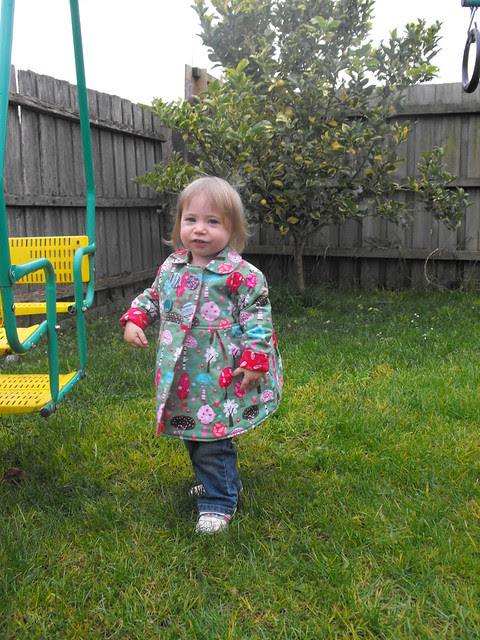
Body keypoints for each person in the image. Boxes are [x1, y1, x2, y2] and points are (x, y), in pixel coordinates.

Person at [120, 176, 283, 534]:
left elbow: (258, 319)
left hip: (220, 374)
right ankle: (222, 480)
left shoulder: (242, 275)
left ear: (232, 229)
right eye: (191, 219)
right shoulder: (172, 268)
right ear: (179, 223)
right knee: (194, 432)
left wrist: (255, 361)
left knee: (211, 437)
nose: (199, 229)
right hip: (184, 374)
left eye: (213, 222)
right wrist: (136, 318)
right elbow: (153, 297)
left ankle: (219, 500)